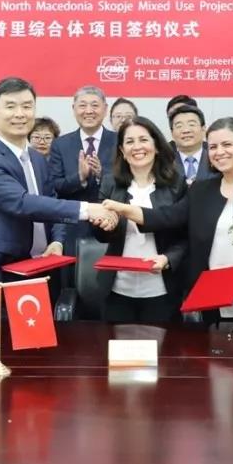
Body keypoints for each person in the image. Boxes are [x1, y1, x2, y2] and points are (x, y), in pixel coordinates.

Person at [104, 117, 233, 324]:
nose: (219, 152)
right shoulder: (201, 190)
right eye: (213, 147)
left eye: (227, 144)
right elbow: (166, 217)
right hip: (214, 298)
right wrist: (120, 208)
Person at [0, 77, 117, 284]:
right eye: (10, 106)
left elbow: (51, 200)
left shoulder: (37, 159)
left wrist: (57, 241)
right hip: (2, 269)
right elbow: (22, 203)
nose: (20, 114)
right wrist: (88, 209)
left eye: (27, 106)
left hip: (44, 266)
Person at [93, 117, 188, 322]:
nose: (137, 147)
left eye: (143, 140)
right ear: (122, 150)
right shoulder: (110, 183)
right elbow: (100, 235)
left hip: (162, 288)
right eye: (129, 141)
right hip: (118, 288)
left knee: (163, 342)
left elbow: (187, 235)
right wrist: (104, 225)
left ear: (157, 146)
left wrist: (168, 259)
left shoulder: (176, 184)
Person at [48, 85, 118, 254]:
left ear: (105, 109)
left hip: (111, 227)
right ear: (74, 109)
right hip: (72, 228)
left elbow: (129, 182)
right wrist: (79, 178)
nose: (88, 111)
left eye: (94, 105)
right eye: (82, 105)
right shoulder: (60, 144)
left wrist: (102, 175)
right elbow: (55, 187)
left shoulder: (120, 141)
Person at [168, 104, 216, 186]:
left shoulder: (215, 159)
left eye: (191, 124)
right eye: (179, 126)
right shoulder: (165, 164)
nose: (186, 130)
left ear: (203, 129)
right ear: (172, 133)